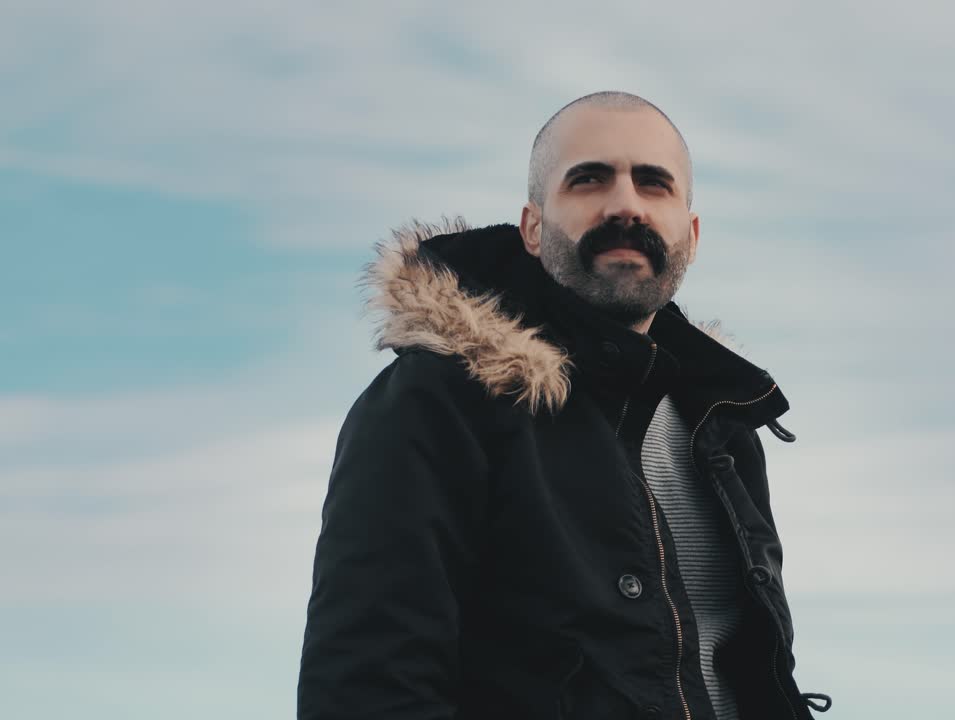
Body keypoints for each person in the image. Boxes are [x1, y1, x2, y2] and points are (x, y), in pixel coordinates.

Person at [297, 90, 832, 720]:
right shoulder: (435, 402)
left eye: (654, 184)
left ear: (690, 234)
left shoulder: (722, 425)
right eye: (589, 180)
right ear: (532, 226)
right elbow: (368, 689)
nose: (626, 204)